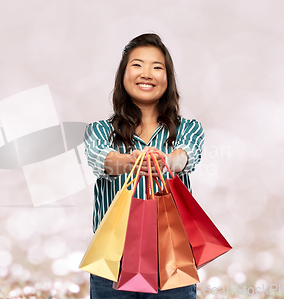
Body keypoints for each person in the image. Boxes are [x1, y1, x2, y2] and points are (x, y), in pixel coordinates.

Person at [83, 33, 204, 298]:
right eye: (137, 65)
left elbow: (188, 155)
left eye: (157, 67)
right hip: (114, 259)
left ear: (168, 79)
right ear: (123, 76)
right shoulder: (100, 130)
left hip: (171, 257)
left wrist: (168, 162)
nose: (146, 73)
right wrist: (128, 162)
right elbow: (99, 158)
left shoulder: (188, 129)